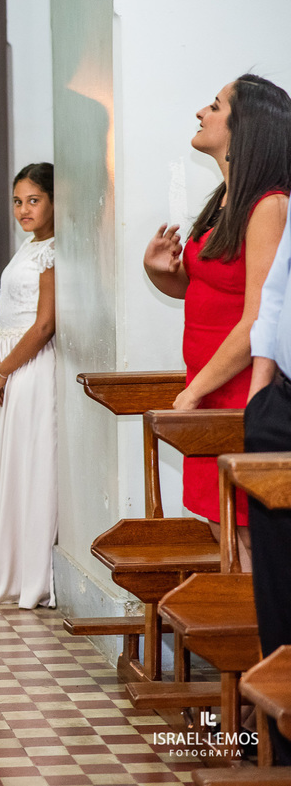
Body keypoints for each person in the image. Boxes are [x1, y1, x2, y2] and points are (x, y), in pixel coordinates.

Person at [143, 75, 291, 571]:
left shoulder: (269, 205)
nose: (201, 112)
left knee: (245, 531)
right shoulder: (227, 198)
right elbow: (205, 291)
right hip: (207, 383)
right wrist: (159, 272)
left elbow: (259, 318)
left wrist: (194, 393)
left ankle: (259, 623)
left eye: (215, 105)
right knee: (220, 526)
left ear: (245, 126)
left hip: (240, 387)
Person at [0, 162, 57, 609]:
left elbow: (43, 325)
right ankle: (11, 565)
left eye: (34, 200)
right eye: (18, 201)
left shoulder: (53, 252)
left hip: (34, 368)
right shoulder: (29, 245)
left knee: (32, 464)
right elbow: (9, 316)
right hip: (13, 365)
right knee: (15, 463)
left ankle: (33, 572)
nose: (24, 209)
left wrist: (2, 371)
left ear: (55, 201)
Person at [245, 198, 291, 767]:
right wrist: (259, 397)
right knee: (278, 585)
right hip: (281, 404)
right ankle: (283, 744)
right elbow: (277, 290)